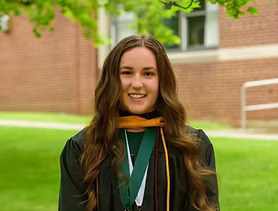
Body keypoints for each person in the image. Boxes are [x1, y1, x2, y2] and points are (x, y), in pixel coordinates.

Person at [58, 34, 220, 211]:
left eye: (148, 73)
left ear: (162, 81)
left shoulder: (192, 146)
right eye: (127, 73)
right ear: (112, 79)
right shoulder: (83, 147)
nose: (137, 83)